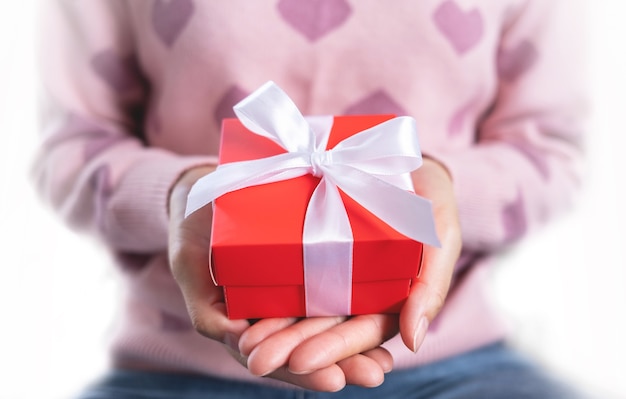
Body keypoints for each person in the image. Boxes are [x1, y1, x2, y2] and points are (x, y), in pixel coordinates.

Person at [34, 1, 587, 397]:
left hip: (454, 362)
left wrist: (439, 190)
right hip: (174, 366)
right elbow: (70, 147)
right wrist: (185, 194)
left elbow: (548, 151)